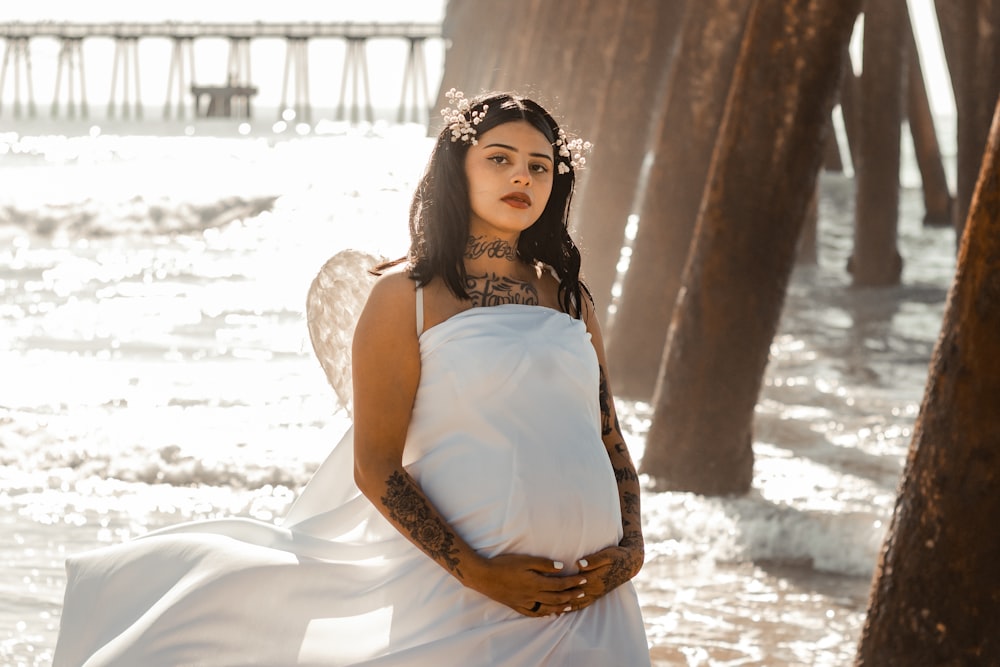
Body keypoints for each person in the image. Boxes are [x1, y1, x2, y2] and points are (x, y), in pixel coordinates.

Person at [53, 90, 650, 666]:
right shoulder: (405, 297)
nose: (522, 177)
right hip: (465, 600)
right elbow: (377, 467)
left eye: (539, 167)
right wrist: (480, 574)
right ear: (457, 169)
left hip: (594, 599)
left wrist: (632, 551)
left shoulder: (568, 297)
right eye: (500, 159)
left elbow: (609, 437)